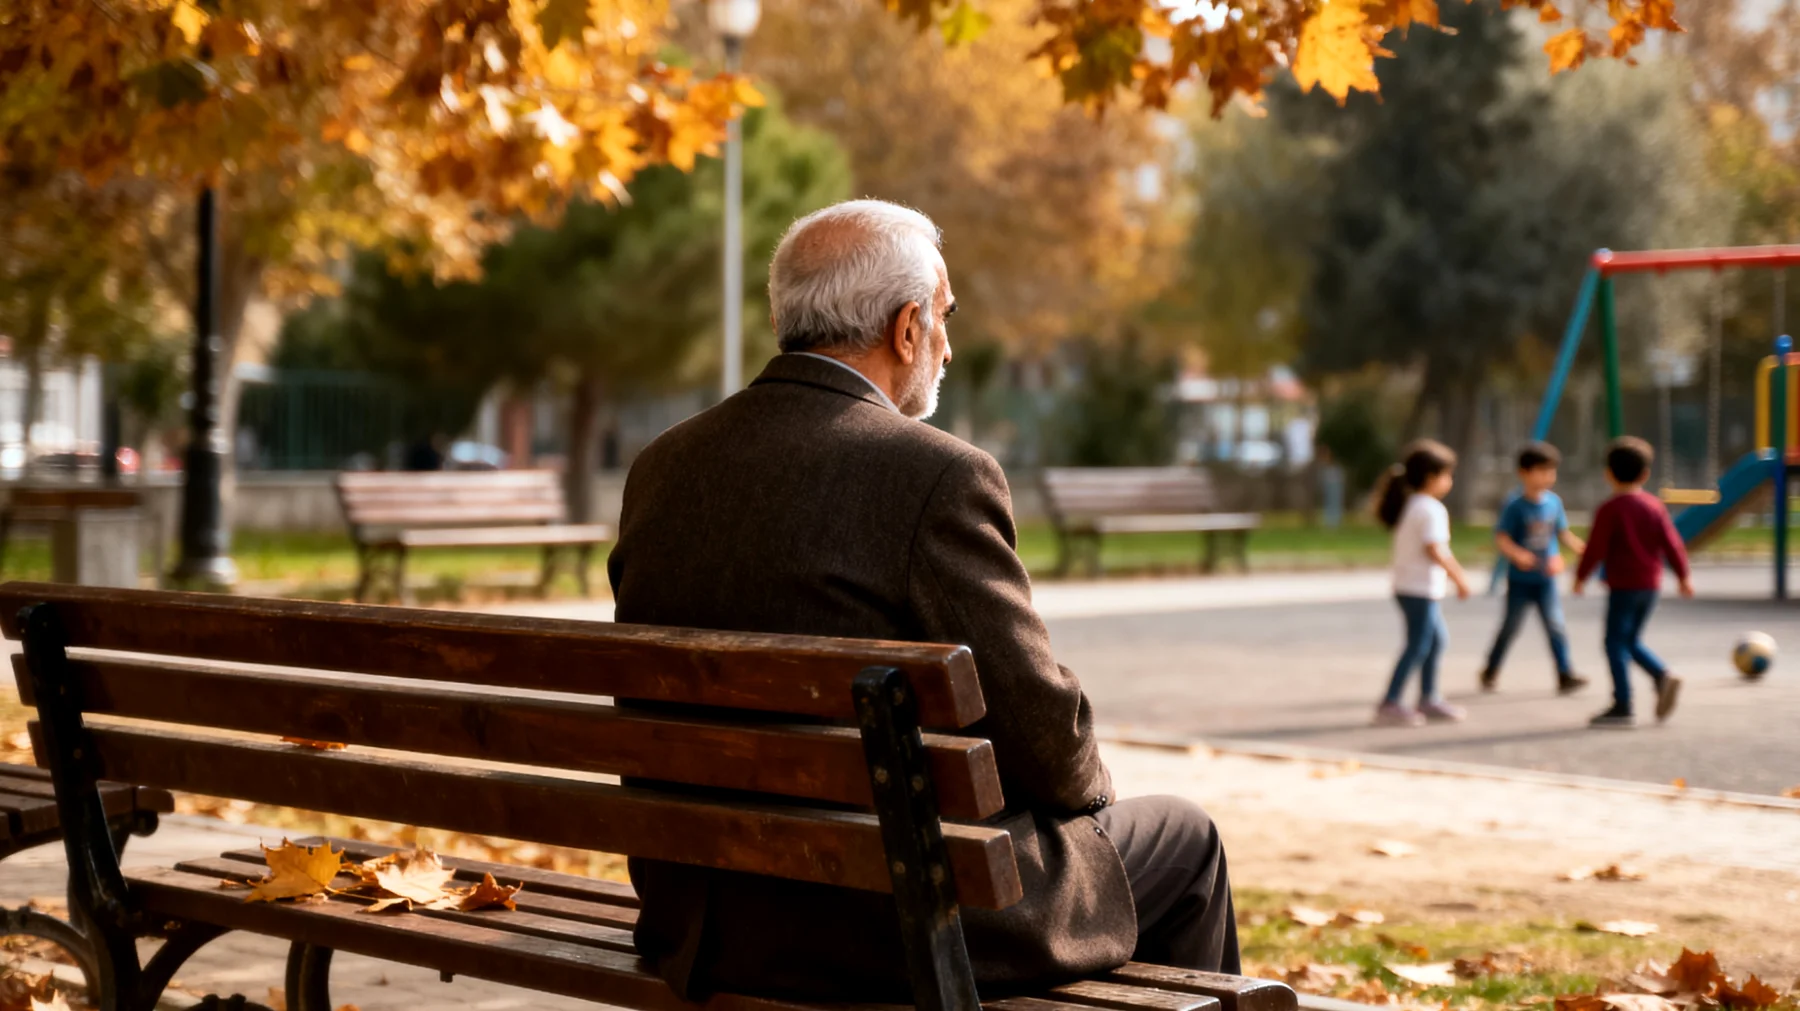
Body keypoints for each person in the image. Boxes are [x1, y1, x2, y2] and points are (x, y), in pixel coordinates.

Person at [607, 200, 1238, 1001]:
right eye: (944, 317)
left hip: (702, 912)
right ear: (907, 330)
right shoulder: (934, 475)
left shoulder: (663, 467)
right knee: (1186, 838)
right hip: (887, 920)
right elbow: (1047, 736)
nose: (948, 344)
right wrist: (1088, 801)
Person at [1572, 436, 1692, 728]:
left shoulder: (1610, 509)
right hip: (1650, 586)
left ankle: (1624, 703)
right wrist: (1683, 576)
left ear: (1609, 473)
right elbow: (1672, 544)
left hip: (1623, 586)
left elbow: (1595, 548)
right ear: (1646, 474)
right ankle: (1661, 677)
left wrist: (1580, 577)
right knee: (1629, 640)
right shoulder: (1654, 507)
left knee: (1614, 643)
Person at [1373, 440, 1472, 727]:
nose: (1449, 481)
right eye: (1447, 474)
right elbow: (1436, 549)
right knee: (1418, 645)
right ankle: (1390, 702)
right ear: (1432, 477)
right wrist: (1459, 578)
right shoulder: (1430, 509)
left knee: (1435, 640)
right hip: (1419, 590)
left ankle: (1429, 697)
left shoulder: (1412, 505)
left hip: (1409, 587)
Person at [1478, 442, 1588, 694]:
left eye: (1552, 471)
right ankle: (1491, 669)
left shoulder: (1554, 503)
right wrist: (1518, 554)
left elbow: (1562, 533)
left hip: (1546, 579)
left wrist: (1578, 550)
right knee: (1511, 627)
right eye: (1542, 470)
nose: (1549, 476)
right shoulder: (1515, 505)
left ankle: (1564, 674)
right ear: (1524, 473)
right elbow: (1502, 538)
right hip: (1520, 580)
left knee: (1555, 625)